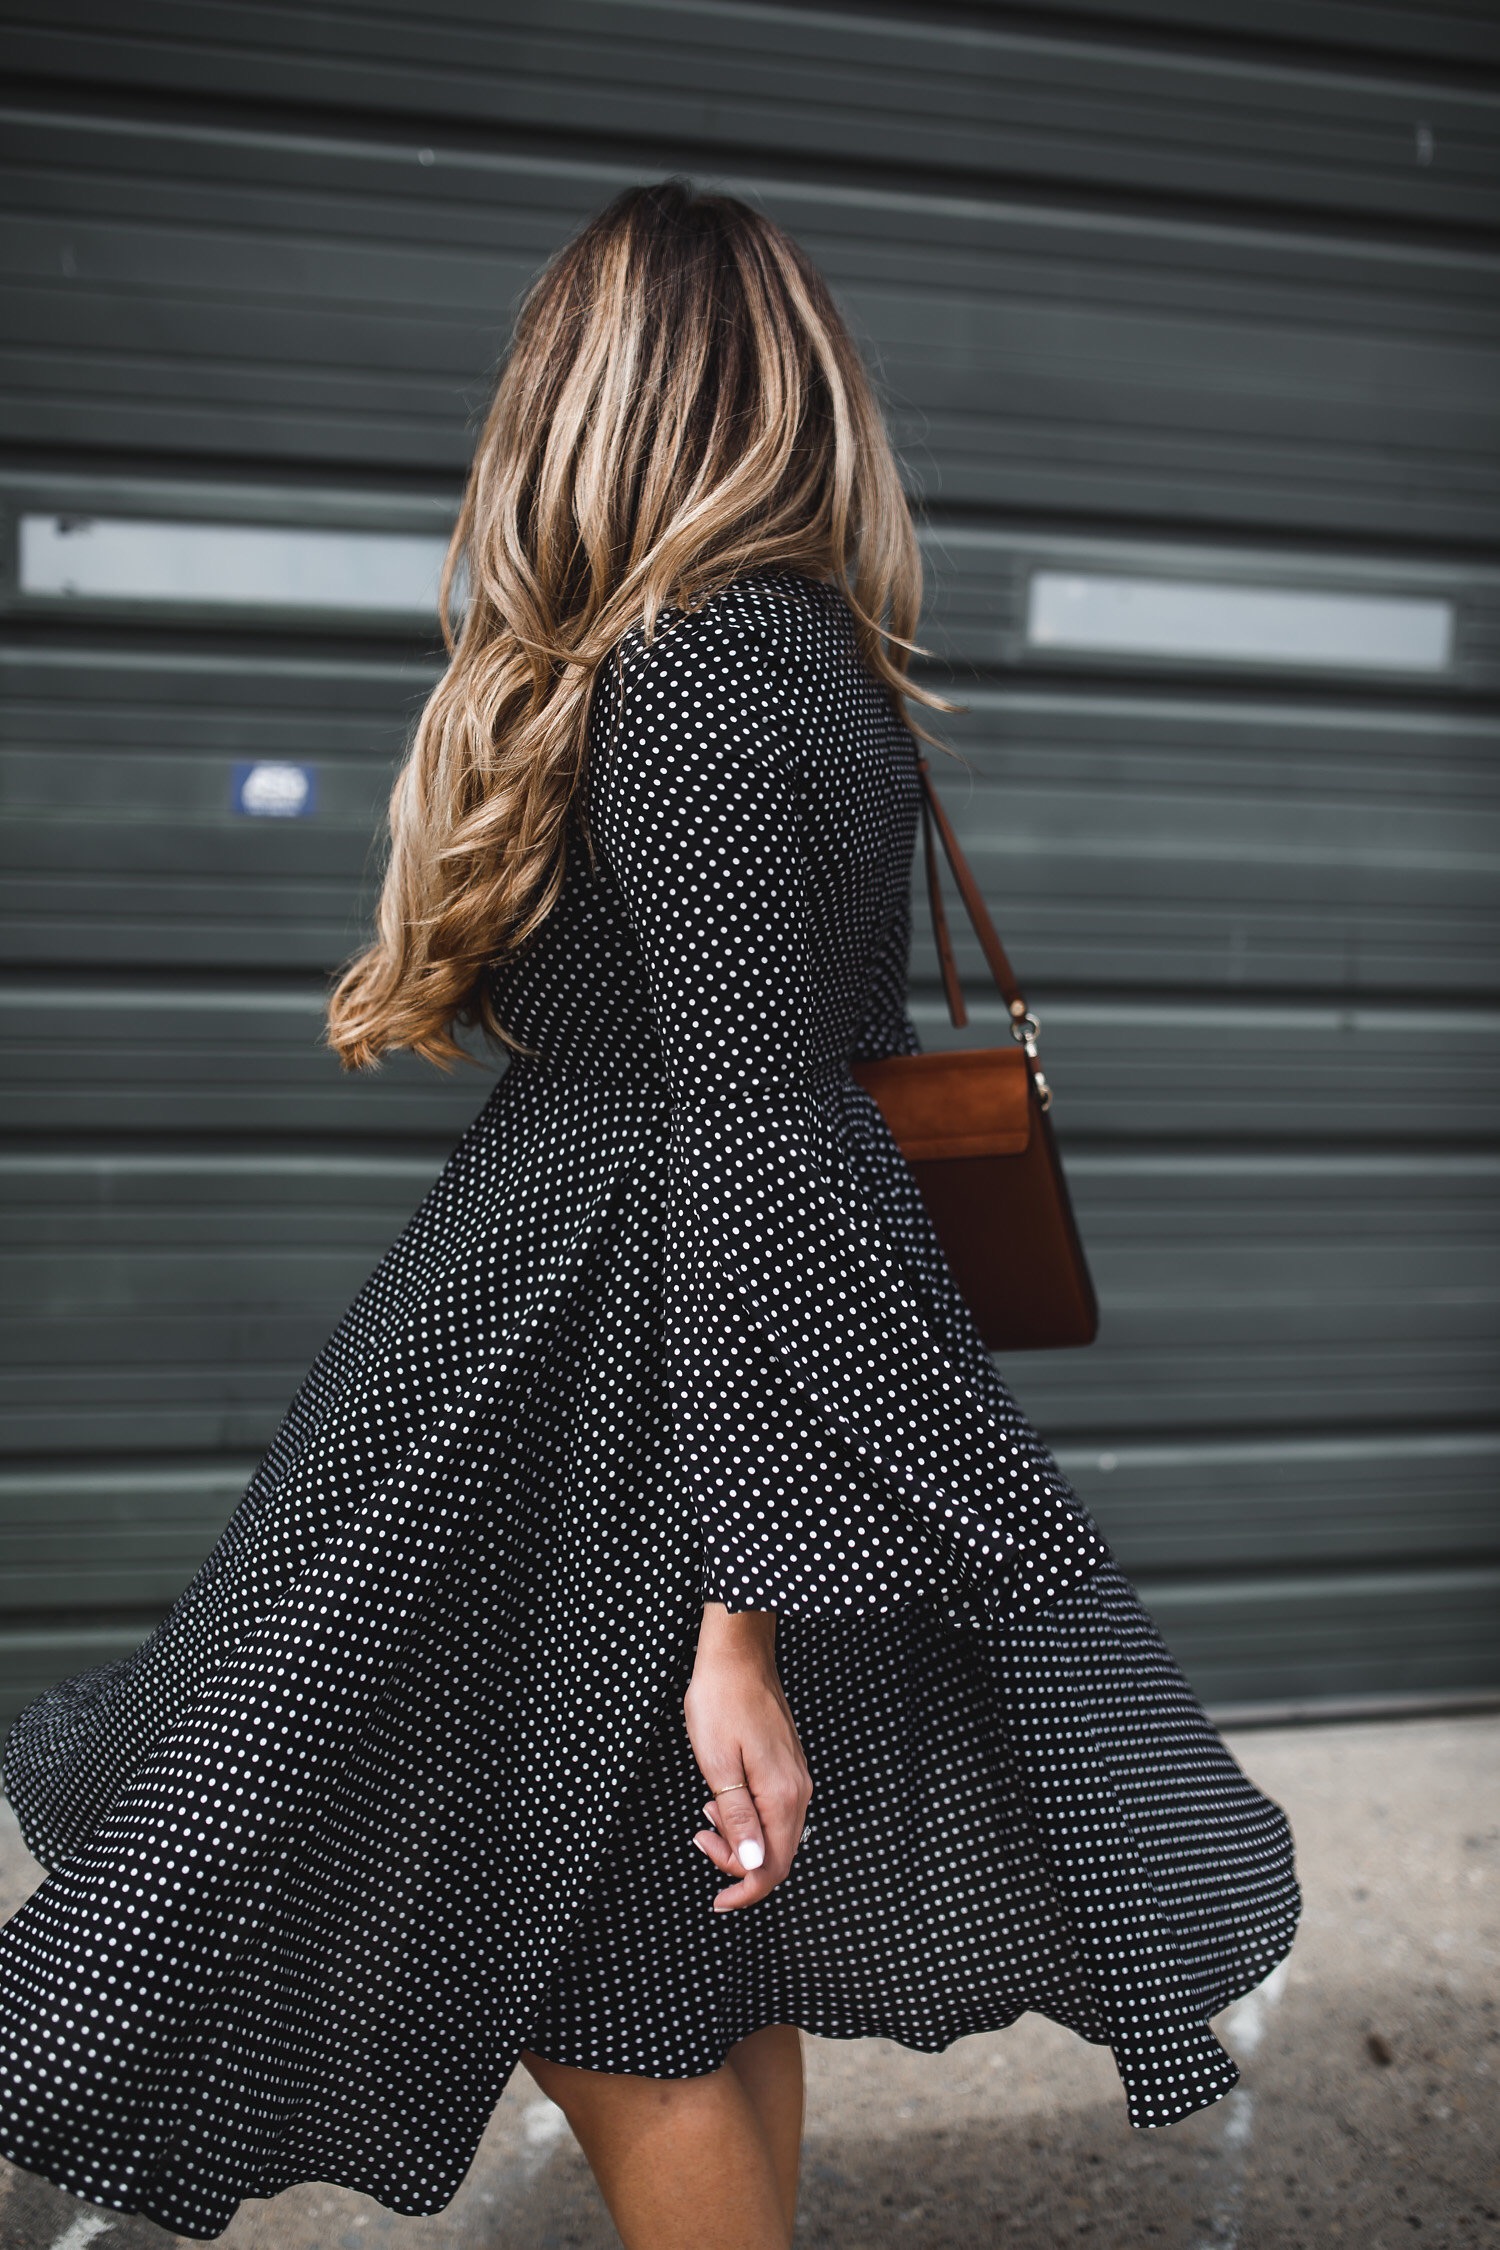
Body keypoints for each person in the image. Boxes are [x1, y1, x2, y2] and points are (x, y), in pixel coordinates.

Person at [0, 181, 1299, 2249]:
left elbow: (755, 1150)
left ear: (591, 400)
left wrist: (737, 1621)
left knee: (615, 2012)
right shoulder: (807, 660)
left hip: (608, 1407)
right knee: (661, 1970)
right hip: (632, 1376)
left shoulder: (698, 669)